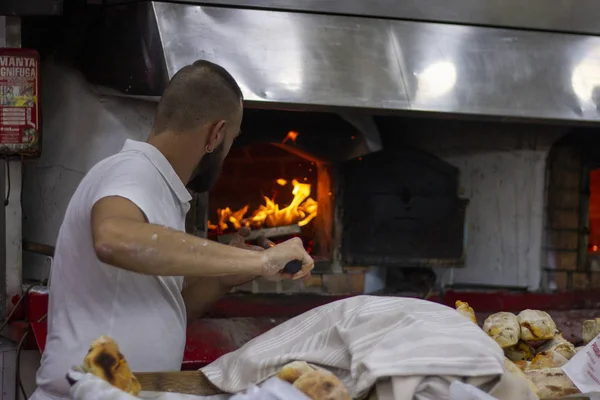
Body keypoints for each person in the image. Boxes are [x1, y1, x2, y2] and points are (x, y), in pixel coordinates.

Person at [31, 60, 314, 400]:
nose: (225, 157)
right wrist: (262, 262)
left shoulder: (159, 189)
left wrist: (227, 273)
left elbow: (167, 307)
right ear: (216, 134)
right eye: (231, 141)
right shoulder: (135, 171)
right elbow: (113, 238)